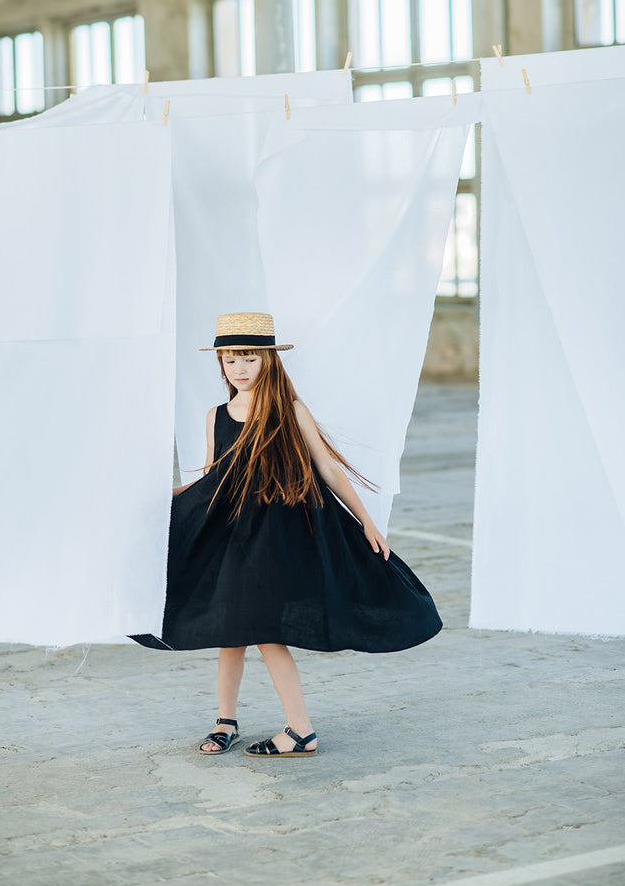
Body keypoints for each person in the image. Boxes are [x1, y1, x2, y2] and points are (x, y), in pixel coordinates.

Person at [132, 312, 442, 757]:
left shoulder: (290, 411)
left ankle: (301, 730)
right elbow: (213, 477)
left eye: (249, 359)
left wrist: (367, 521)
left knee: (264, 630)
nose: (238, 369)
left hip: (273, 540)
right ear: (220, 363)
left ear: (269, 362)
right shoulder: (215, 416)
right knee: (229, 628)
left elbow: (327, 469)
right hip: (231, 536)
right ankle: (225, 720)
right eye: (229, 360)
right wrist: (161, 496)